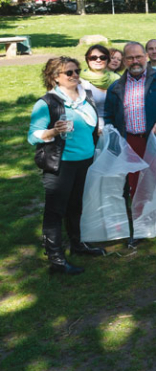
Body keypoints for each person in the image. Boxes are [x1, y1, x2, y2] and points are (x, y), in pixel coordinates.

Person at [104, 42, 156, 240]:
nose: (135, 61)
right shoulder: (116, 87)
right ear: (124, 61)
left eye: (139, 57)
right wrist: (111, 133)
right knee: (136, 184)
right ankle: (142, 227)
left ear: (145, 57)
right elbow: (108, 114)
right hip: (131, 142)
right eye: (130, 58)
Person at [29, 57, 104, 274]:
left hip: (85, 161)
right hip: (61, 165)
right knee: (55, 211)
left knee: (77, 206)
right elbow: (32, 136)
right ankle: (56, 260)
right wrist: (53, 131)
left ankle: (78, 245)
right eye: (68, 73)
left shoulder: (85, 96)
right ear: (55, 77)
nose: (75, 75)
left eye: (77, 71)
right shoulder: (47, 103)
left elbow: (91, 124)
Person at [80, 44, 120, 125]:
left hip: (114, 127)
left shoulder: (117, 79)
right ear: (87, 60)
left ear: (107, 60)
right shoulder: (80, 81)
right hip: (90, 126)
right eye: (93, 58)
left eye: (102, 57)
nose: (98, 60)